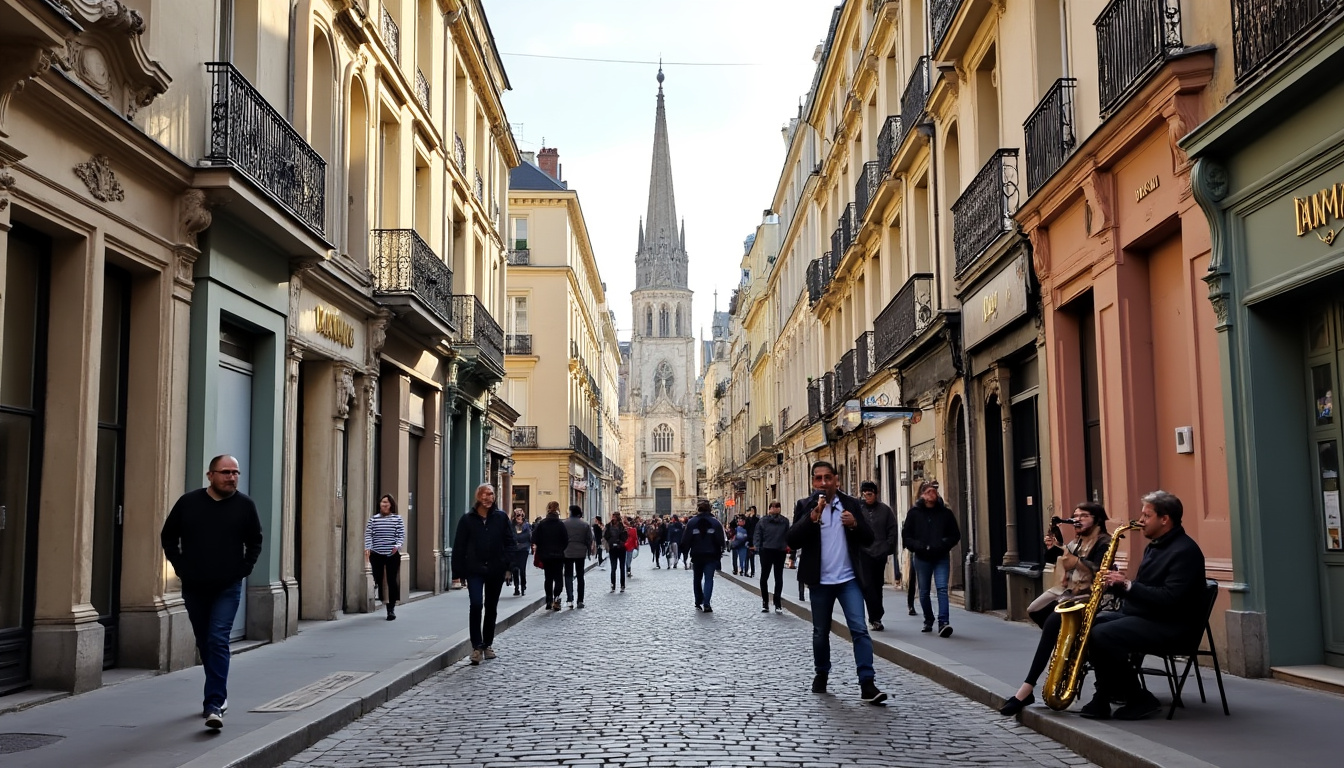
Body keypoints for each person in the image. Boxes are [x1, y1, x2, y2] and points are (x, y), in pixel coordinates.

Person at [1079, 491, 1207, 721]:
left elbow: (1170, 598)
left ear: (1164, 519)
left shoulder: (1185, 551)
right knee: (1093, 624)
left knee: (1103, 634)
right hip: (1149, 616)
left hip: (1173, 626)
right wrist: (1118, 584)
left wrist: (1127, 585)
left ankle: (1137, 698)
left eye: (1147, 515)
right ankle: (1106, 694)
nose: (1140, 521)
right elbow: (1146, 589)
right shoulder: (1156, 546)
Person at [160, 455, 263, 730]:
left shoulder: (245, 505)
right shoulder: (189, 503)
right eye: (225, 472)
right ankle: (218, 692)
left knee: (218, 638)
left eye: (235, 472)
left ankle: (214, 703)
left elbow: (255, 541)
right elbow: (168, 536)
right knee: (205, 641)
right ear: (210, 475)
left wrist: (243, 569)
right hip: (194, 585)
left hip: (227, 586)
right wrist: (181, 566)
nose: (232, 477)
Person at [786, 460, 887, 704]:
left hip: (848, 579)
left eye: (827, 478)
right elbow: (792, 539)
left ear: (836, 480)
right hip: (820, 581)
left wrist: (854, 525)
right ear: (813, 482)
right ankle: (821, 673)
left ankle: (867, 683)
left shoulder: (851, 504)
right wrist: (811, 519)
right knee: (820, 632)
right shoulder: (805, 505)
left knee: (859, 629)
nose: (823, 483)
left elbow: (869, 537)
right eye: (818, 478)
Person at [998, 502, 1112, 716]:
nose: (1077, 520)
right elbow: (1058, 559)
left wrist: (1075, 561)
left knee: (1052, 621)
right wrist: (1053, 548)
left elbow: (1099, 570)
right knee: (1034, 609)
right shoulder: (1077, 540)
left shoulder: (1104, 542)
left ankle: (1027, 688)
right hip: (1068, 590)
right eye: (1075, 515)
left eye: (1084, 516)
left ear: (1097, 519)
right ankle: (1065, 644)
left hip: (1089, 597)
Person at [451, 483, 514, 665]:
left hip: (496, 569)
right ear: (478, 497)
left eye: (492, 494)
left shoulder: (501, 518)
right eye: (485, 494)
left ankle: (487, 644)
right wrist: (458, 573)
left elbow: (510, 542)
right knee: (476, 604)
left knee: (491, 607)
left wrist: (509, 566)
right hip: (474, 569)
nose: (489, 497)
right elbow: (459, 547)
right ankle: (476, 646)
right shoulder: (467, 520)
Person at [902, 480, 961, 637]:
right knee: (924, 592)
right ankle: (929, 619)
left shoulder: (945, 513)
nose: (932, 494)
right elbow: (906, 537)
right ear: (922, 495)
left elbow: (955, 535)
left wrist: (943, 544)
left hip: (941, 556)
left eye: (934, 491)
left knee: (942, 589)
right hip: (922, 558)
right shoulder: (914, 513)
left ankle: (943, 622)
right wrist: (919, 546)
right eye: (928, 492)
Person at [856, 481, 899, 632]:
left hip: (879, 553)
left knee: (877, 584)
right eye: (865, 493)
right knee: (867, 586)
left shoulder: (885, 510)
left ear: (875, 494)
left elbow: (892, 530)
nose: (867, 496)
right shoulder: (858, 510)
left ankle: (877, 615)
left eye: (870, 493)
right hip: (864, 552)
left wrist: (888, 546)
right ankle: (874, 617)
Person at [364, 494, 406, 621]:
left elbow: (401, 534)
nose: (384, 505)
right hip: (376, 553)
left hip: (391, 554)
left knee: (391, 580)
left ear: (391, 505)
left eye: (387, 503)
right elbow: (368, 534)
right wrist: (368, 547)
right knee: (378, 577)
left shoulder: (397, 519)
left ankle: (391, 608)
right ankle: (381, 596)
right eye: (382, 502)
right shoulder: (373, 519)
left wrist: (397, 546)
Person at [682, 500, 725, 611]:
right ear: (710, 509)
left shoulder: (691, 523)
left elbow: (686, 540)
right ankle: (706, 603)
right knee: (709, 579)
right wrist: (721, 551)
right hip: (711, 555)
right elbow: (721, 540)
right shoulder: (716, 523)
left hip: (697, 555)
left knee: (697, 578)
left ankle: (698, 600)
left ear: (698, 509)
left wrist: (685, 553)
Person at [532, 501, 569, 612]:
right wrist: (560, 549)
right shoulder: (561, 524)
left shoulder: (542, 524)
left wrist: (541, 549)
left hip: (545, 555)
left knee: (548, 578)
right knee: (558, 578)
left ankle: (548, 599)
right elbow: (566, 540)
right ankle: (556, 599)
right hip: (558, 556)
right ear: (558, 510)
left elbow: (534, 539)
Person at [754, 501, 790, 613]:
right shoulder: (763, 521)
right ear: (769, 509)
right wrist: (758, 547)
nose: (775, 509)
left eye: (777, 507)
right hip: (767, 550)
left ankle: (777, 602)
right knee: (765, 577)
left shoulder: (784, 521)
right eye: (773, 507)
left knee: (778, 577)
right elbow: (758, 534)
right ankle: (765, 602)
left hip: (779, 550)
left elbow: (788, 535)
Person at [563, 505, 594, 608]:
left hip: (567, 552)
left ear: (571, 512)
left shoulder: (565, 524)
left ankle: (570, 599)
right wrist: (589, 550)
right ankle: (580, 600)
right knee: (580, 576)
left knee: (568, 575)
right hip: (581, 552)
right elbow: (589, 538)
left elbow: (561, 538)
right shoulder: (585, 525)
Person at [508, 508, 532, 596]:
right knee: (514, 569)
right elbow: (510, 536)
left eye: (521, 515)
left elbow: (528, 537)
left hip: (523, 550)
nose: (519, 517)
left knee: (522, 569)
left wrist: (519, 540)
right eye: (517, 515)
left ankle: (523, 586)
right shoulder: (511, 525)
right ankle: (516, 587)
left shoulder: (527, 525)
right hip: (514, 550)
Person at [605, 513, 628, 592]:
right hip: (613, 549)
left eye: (615, 517)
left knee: (622, 568)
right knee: (613, 568)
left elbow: (625, 537)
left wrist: (620, 542)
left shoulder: (623, 527)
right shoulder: (608, 526)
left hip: (621, 549)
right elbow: (606, 536)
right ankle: (613, 585)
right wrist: (611, 542)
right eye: (613, 517)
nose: (613, 518)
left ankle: (622, 585)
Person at [743, 507, 759, 577]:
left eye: (753, 511)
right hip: (747, 540)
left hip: (753, 540)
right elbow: (745, 527)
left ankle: (752, 571)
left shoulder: (756, 520)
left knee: (752, 557)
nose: (752, 512)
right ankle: (746, 571)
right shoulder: (747, 519)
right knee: (746, 557)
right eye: (751, 510)